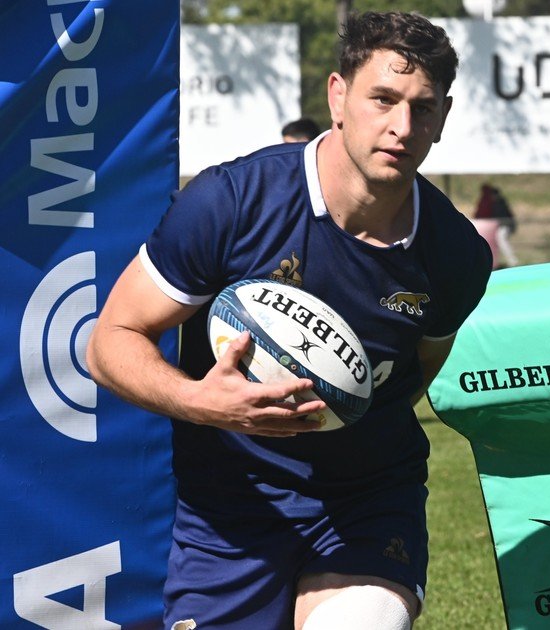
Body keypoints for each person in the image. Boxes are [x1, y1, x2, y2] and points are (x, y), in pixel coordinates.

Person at [87, 12, 491, 630]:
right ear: (337, 95)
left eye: (423, 107)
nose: (401, 126)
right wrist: (202, 402)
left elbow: (409, 381)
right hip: (231, 508)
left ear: (443, 116)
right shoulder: (230, 203)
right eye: (382, 98)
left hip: (366, 501)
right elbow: (110, 340)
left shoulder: (456, 257)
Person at [472, 182, 520, 269]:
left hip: (505, 225)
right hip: (497, 226)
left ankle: (513, 261)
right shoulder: (492, 202)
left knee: (501, 238)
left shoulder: (499, 203)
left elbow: (502, 217)